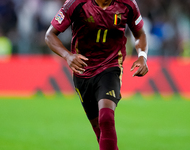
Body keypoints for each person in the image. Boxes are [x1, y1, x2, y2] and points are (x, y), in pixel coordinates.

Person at [45, 0, 148, 149]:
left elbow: (140, 33)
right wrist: (68, 56)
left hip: (110, 66)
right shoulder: (75, 4)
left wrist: (142, 56)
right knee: (98, 127)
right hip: (83, 70)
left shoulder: (127, 4)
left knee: (106, 118)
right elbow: (50, 35)